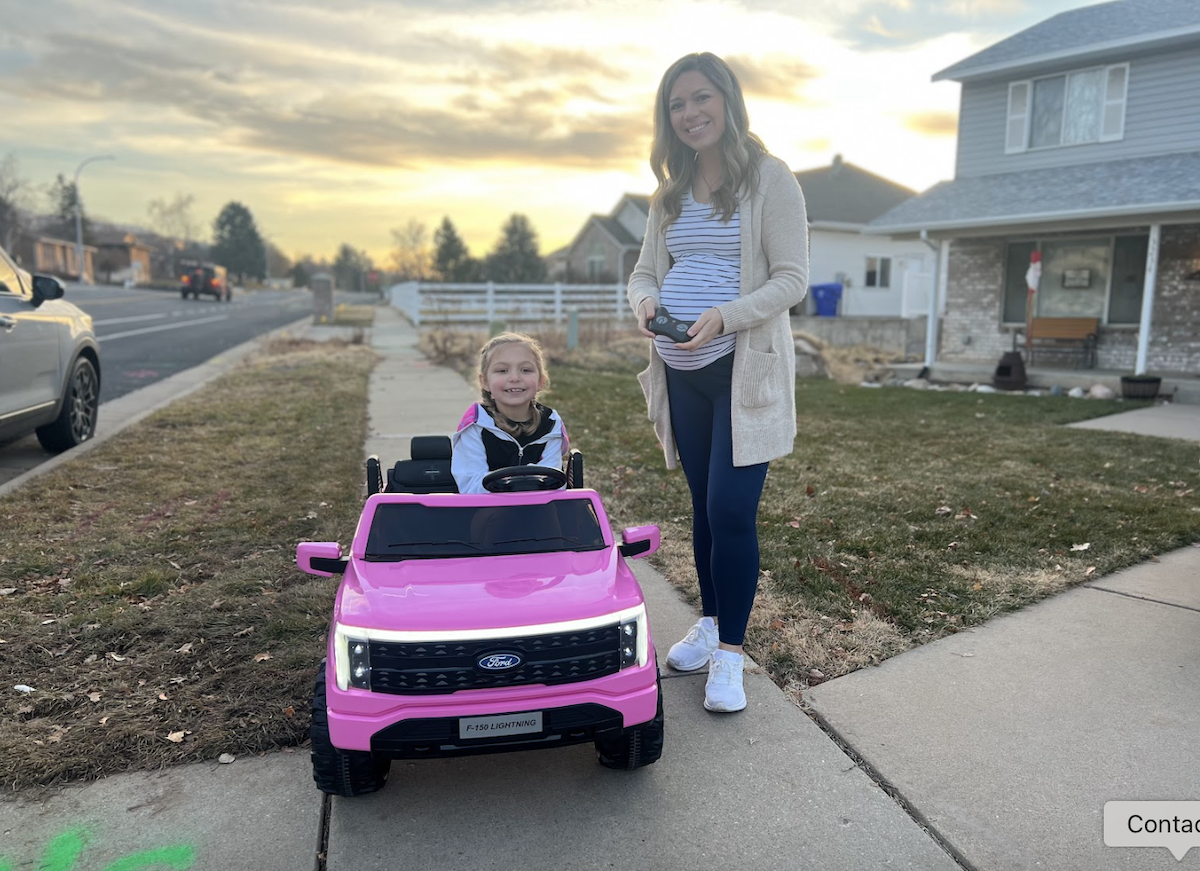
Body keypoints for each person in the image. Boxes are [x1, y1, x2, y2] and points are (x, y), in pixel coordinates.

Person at [627, 52, 808, 713]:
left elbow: (791, 277)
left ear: (727, 102)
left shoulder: (769, 179)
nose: (690, 112)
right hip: (681, 372)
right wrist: (644, 305)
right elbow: (644, 272)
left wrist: (726, 317)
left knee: (732, 510)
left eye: (701, 98)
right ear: (666, 118)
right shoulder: (668, 193)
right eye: (677, 104)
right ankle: (708, 621)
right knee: (703, 507)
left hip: (740, 369)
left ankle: (731, 653)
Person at [451, 332, 569, 494]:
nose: (514, 377)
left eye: (525, 370)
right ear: (484, 381)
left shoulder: (550, 423)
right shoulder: (476, 424)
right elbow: (470, 486)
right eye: (502, 370)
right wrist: (516, 484)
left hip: (539, 508)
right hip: (486, 510)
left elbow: (554, 484)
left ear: (540, 381)